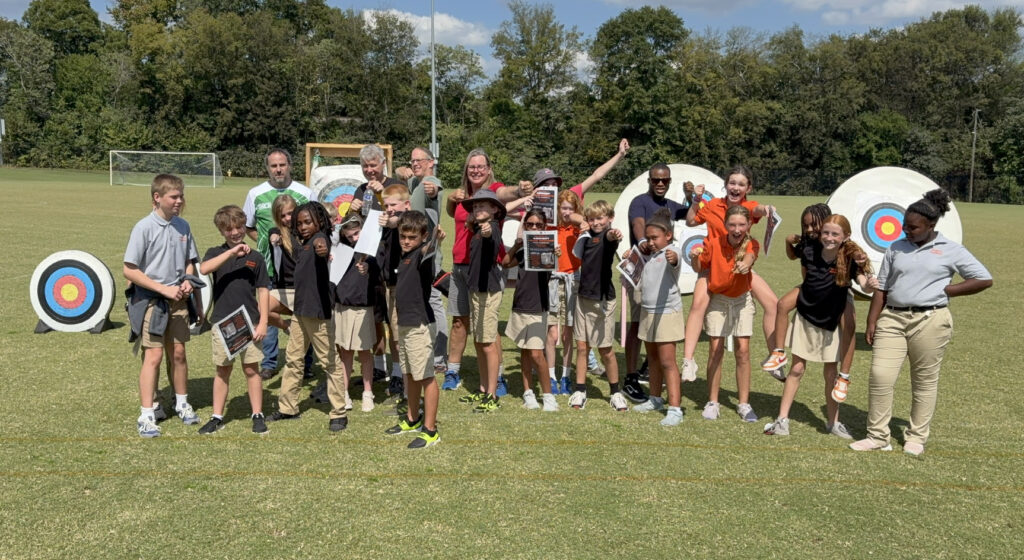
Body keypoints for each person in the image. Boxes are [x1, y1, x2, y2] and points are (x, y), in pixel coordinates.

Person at [850, 189, 992, 456]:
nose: (906, 231)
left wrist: (950, 291)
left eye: (913, 227)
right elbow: (882, 286)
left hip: (931, 320)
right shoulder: (895, 247)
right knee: (880, 376)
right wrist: (872, 321)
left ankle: (916, 437)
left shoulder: (951, 249)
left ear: (931, 225)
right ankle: (878, 436)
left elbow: (983, 278)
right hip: (892, 317)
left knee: (924, 381)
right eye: (905, 225)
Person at [763, 214, 878, 438]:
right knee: (796, 369)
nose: (829, 237)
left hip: (831, 320)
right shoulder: (809, 250)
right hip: (807, 315)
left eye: (835, 234)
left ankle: (833, 423)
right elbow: (803, 271)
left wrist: (871, 285)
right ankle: (782, 420)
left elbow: (863, 282)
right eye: (826, 232)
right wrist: (788, 239)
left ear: (846, 237)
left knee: (830, 373)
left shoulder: (850, 257)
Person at [684, 166, 779, 383]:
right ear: (726, 184)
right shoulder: (712, 205)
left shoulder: (748, 206)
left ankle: (774, 357)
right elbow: (690, 221)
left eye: (741, 184)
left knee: (773, 303)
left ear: (748, 188)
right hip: (712, 265)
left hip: (738, 267)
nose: (735, 187)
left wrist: (768, 209)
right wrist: (694, 200)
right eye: (732, 183)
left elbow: (757, 210)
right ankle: (688, 362)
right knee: (697, 305)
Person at [124, 174, 202, 437]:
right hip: (150, 303)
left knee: (178, 354)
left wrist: (189, 280)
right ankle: (146, 414)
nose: (180, 201)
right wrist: (163, 289)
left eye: (181, 196)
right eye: (174, 197)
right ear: (157, 198)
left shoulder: (184, 226)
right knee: (154, 356)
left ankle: (182, 403)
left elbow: (191, 261)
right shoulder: (143, 227)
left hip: (179, 301)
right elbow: (129, 270)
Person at [443, 149, 524, 392]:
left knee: (487, 328)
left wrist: (520, 191)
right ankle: (452, 371)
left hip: (485, 268)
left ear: (489, 169)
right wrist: (449, 200)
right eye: (471, 166)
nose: (476, 170)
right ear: (466, 170)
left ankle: (497, 376)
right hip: (460, 265)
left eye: (480, 166)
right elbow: (454, 214)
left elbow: (505, 193)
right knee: (459, 321)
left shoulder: (494, 190)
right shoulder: (463, 195)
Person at [267, 202, 348, 432]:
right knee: (293, 360)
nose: (303, 226)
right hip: (300, 312)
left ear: (319, 222)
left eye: (307, 222)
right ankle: (287, 408)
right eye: (299, 223)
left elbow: (324, 246)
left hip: (318, 314)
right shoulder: (302, 243)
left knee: (329, 363)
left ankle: (339, 412)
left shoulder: (319, 240)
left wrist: (323, 247)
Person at [196, 205, 270, 435]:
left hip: (250, 323)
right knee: (223, 371)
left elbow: (263, 290)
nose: (236, 232)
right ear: (221, 231)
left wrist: (264, 322)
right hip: (223, 323)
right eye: (229, 229)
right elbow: (204, 269)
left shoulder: (256, 258)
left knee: (251, 370)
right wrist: (231, 252)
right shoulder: (214, 253)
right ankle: (217, 416)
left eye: (239, 227)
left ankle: (257, 414)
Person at [243, 148, 311, 380]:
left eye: (282, 164)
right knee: (267, 316)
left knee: (304, 314)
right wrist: (267, 245)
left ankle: (307, 364)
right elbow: (248, 226)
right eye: (274, 166)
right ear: (268, 168)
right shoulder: (256, 194)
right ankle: (270, 363)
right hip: (268, 269)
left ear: (290, 165)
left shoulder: (304, 193)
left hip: (299, 270)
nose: (278, 169)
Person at [625, 163, 691, 402]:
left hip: (662, 279)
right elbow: (638, 225)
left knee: (658, 341)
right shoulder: (639, 201)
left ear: (669, 181)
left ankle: (661, 392)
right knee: (636, 325)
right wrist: (643, 240)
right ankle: (631, 376)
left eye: (664, 180)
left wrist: (693, 197)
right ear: (649, 181)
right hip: (640, 272)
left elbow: (693, 218)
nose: (660, 184)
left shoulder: (671, 206)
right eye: (655, 180)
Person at [691, 205, 760, 422]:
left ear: (748, 225)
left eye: (741, 224)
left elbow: (750, 257)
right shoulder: (713, 243)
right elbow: (698, 266)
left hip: (742, 300)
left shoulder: (751, 243)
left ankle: (744, 403)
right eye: (732, 224)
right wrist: (695, 257)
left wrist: (745, 265)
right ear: (726, 225)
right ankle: (712, 402)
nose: (737, 229)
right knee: (715, 349)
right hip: (718, 300)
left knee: (743, 350)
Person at [384, 211, 445, 448]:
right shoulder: (405, 255)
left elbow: (427, 251)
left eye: (412, 237)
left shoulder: (421, 256)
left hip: (420, 325)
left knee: (426, 377)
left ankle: (430, 430)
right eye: (403, 236)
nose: (406, 241)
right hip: (405, 325)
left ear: (423, 237)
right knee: (410, 374)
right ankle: (412, 418)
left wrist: (436, 241)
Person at [350, 144, 406, 398]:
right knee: (374, 318)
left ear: (384, 164)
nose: (370, 170)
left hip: (394, 259)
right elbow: (356, 226)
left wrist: (383, 194)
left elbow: (404, 218)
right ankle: (379, 368)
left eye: (374, 165)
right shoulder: (361, 189)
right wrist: (352, 211)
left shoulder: (394, 186)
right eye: (365, 166)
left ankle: (397, 373)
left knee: (394, 322)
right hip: (371, 261)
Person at [628, 208, 686, 426]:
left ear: (668, 236)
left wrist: (673, 256)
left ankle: (675, 408)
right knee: (652, 359)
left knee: (668, 362)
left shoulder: (671, 252)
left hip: (666, 314)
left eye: (655, 238)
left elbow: (677, 258)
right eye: (648, 238)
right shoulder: (651, 257)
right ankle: (655, 399)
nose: (651, 242)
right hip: (648, 314)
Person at [569, 200, 628, 411]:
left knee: (606, 350)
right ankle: (580, 389)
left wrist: (614, 234)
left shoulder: (607, 236)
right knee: (582, 347)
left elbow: (611, 238)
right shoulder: (586, 236)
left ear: (609, 219)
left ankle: (615, 392)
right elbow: (568, 215)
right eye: (591, 219)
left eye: (600, 218)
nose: (595, 222)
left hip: (604, 300)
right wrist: (582, 222)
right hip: (583, 298)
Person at [455, 189, 507, 413]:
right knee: (479, 341)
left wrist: (486, 229)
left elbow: (490, 236)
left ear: (495, 210)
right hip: (476, 290)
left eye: (483, 206)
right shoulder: (476, 228)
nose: (477, 210)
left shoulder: (491, 228)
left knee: (487, 344)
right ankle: (484, 387)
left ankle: (492, 395)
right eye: (475, 207)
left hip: (488, 291)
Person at [502, 209, 559, 412]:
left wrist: (554, 254)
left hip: (538, 305)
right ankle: (528, 393)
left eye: (538, 225)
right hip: (520, 304)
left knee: (536, 353)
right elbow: (505, 263)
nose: (534, 228)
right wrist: (517, 243)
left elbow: (551, 269)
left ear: (545, 227)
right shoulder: (523, 248)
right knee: (525, 351)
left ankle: (548, 396)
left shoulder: (548, 247)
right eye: (530, 224)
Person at [400, 147, 448, 377]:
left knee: (435, 301)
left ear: (431, 162)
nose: (415, 163)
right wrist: (404, 172)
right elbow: (407, 179)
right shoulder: (414, 183)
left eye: (420, 160)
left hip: (428, 256)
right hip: (415, 256)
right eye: (412, 160)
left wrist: (433, 188)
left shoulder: (429, 181)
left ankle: (439, 357)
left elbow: (433, 187)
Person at [333, 214, 384, 413]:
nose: (354, 238)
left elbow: (380, 268)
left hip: (364, 306)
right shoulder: (338, 248)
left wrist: (368, 268)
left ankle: (367, 392)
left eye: (357, 233)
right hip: (343, 305)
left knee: (364, 352)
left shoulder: (373, 247)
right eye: (349, 235)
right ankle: (344, 392)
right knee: (345, 352)